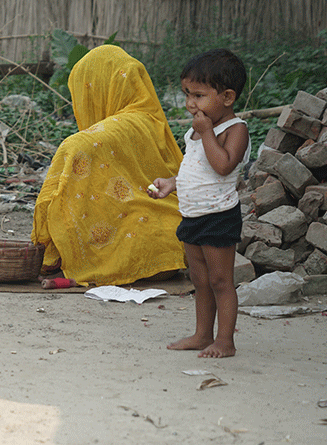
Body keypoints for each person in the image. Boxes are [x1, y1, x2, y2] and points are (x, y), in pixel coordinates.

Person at [31, 45, 187, 287]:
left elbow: (74, 146)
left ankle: (85, 267)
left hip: (138, 248)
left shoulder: (116, 127)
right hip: (172, 240)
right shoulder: (151, 119)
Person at [148, 49, 250, 358]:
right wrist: (171, 184)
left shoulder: (235, 130)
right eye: (187, 94)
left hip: (218, 216)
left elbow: (223, 166)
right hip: (192, 215)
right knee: (199, 280)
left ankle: (225, 341)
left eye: (200, 95)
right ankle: (202, 335)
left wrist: (206, 133)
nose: (191, 103)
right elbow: (198, 171)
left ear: (228, 97)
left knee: (221, 280)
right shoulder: (196, 130)